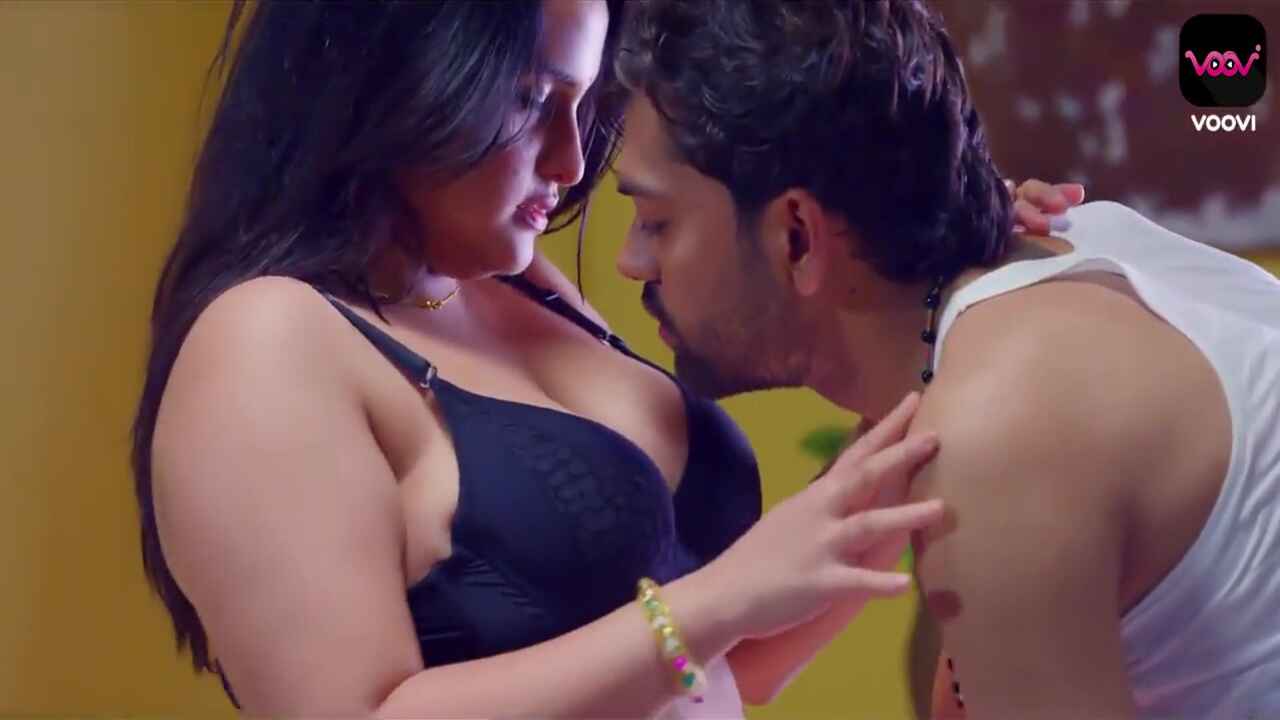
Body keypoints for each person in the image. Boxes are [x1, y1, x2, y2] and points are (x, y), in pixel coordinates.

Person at [130, 1, 1074, 715]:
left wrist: (943, 271)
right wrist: (716, 601)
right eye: (532, 100)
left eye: (582, 106)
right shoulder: (263, 342)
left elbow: (717, 676)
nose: (569, 162)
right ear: (395, 76)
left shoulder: (512, 283)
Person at [611, 1, 1280, 718]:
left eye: (656, 221)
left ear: (797, 235)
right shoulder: (1074, 247)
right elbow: (743, 668)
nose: (629, 261)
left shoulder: (1002, 426)